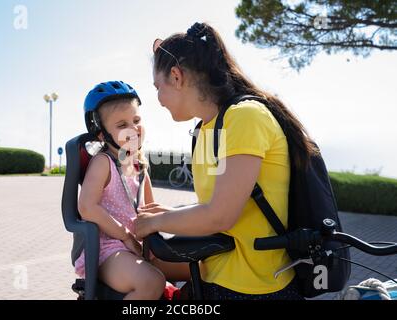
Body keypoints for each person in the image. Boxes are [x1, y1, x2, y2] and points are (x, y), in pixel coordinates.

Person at [134, 22, 318, 300]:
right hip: (219, 271)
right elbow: (221, 203)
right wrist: (166, 215)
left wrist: (155, 223)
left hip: (254, 287)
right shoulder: (206, 128)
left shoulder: (245, 117)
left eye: (157, 86)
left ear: (176, 76)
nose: (158, 98)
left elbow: (221, 215)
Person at [75, 80, 189, 300]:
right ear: (102, 134)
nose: (133, 128)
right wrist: (126, 236)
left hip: (139, 246)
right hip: (107, 249)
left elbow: (150, 211)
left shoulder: (140, 166)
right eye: (121, 125)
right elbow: (87, 207)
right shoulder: (103, 162)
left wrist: (184, 223)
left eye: (136, 120)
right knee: (151, 282)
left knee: (203, 267)